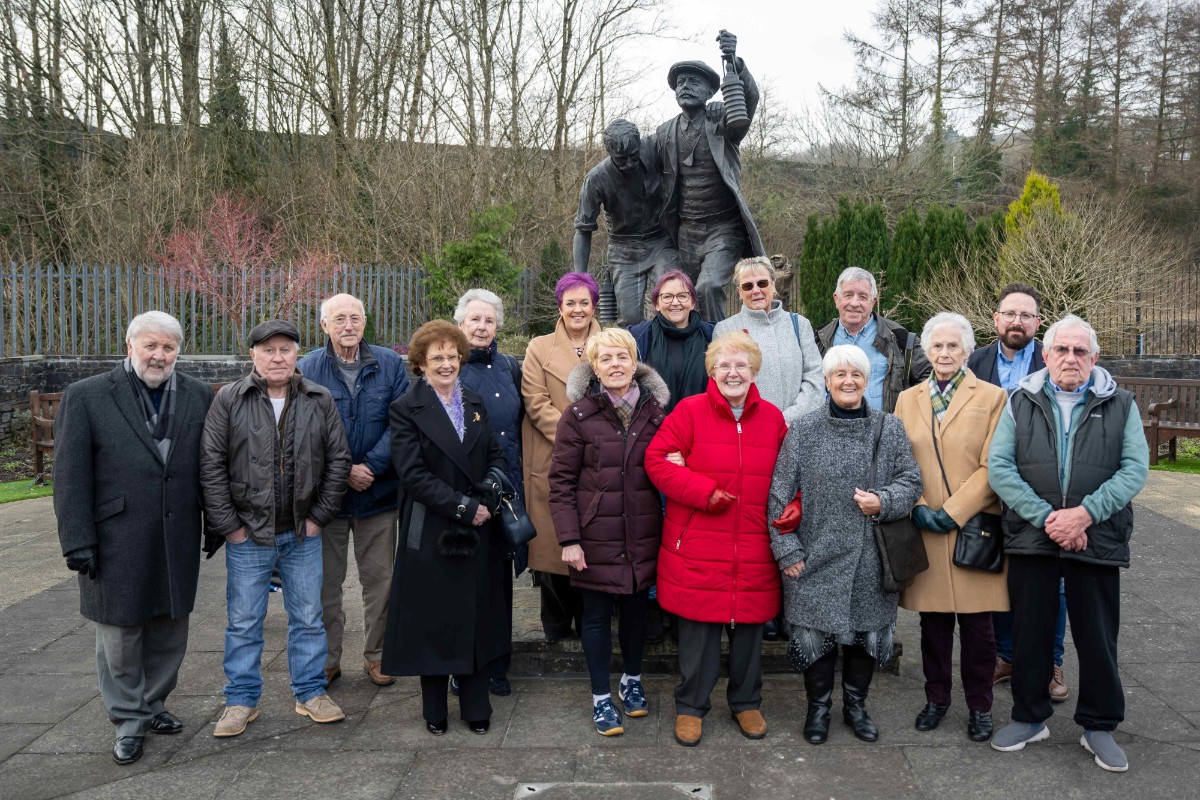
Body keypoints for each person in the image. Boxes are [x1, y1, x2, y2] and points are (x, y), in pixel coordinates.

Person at [988, 315, 1148, 772]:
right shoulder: (1020, 400)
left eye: (1080, 351)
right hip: (1033, 537)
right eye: (1062, 350)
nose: (1070, 358)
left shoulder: (1120, 402)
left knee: (1098, 636)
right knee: (1029, 632)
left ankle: (1099, 725)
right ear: (1046, 354)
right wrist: (1048, 519)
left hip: (1096, 537)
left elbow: (1134, 468)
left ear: (1094, 358)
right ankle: (1029, 716)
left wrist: (1084, 515)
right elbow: (1000, 467)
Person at [53, 311, 213, 765]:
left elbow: (208, 466)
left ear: (178, 351)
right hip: (114, 536)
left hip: (177, 531)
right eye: (151, 346)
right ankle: (127, 721)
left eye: (168, 348)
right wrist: (77, 541)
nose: (159, 355)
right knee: (120, 635)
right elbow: (69, 478)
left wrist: (216, 523)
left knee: (170, 629)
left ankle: (153, 703)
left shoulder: (199, 395)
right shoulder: (86, 397)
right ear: (129, 346)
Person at [200, 319, 351, 738]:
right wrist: (230, 527)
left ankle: (311, 694)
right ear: (253, 356)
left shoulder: (319, 398)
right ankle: (241, 701)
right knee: (245, 620)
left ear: (297, 354)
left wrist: (319, 517)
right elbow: (211, 465)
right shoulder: (230, 399)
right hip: (248, 534)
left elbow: (339, 460)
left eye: (285, 349)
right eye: (268, 350)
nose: (277, 357)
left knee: (307, 617)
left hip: (302, 533)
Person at [768, 344, 922, 745]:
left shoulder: (889, 428)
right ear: (826, 381)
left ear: (867, 381)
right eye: (840, 375)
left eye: (856, 374)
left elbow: (911, 481)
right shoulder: (803, 430)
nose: (848, 381)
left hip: (871, 559)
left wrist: (883, 501)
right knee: (814, 638)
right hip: (813, 556)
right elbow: (778, 496)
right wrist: (788, 552)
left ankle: (856, 706)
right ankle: (817, 709)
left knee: (865, 637)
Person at [645, 332, 787, 747]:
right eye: (723, 365)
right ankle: (691, 706)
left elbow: (791, 472)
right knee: (699, 633)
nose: (732, 372)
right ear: (711, 371)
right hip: (699, 542)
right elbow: (655, 461)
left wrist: (793, 504)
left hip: (755, 543)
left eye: (741, 365)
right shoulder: (688, 412)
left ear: (755, 371)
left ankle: (746, 702)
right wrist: (702, 491)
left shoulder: (773, 418)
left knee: (748, 632)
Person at [380, 321, 511, 736]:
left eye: (452, 355)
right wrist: (462, 507)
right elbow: (412, 474)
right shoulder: (405, 407)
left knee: (477, 618)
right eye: (436, 357)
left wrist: (490, 487)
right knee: (433, 622)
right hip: (433, 529)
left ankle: (476, 707)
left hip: (480, 527)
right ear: (419, 363)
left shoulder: (473, 400)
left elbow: (495, 453)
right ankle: (434, 710)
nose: (446, 363)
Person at [894, 313, 1008, 743]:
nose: (944, 354)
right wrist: (920, 505)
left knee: (980, 630)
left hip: (974, 526)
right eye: (937, 346)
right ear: (927, 351)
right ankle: (936, 698)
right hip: (924, 526)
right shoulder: (907, 399)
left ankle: (980, 706)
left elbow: (995, 464)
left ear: (966, 351)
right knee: (933, 626)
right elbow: (900, 457)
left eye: (953, 346)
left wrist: (952, 511)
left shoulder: (993, 397)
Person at [548, 328, 668, 736]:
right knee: (596, 619)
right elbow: (561, 482)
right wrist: (569, 539)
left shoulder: (655, 414)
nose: (615, 365)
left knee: (635, 614)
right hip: (594, 535)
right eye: (606, 359)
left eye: (622, 357)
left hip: (642, 533)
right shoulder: (578, 416)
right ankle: (601, 696)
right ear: (594, 368)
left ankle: (631, 681)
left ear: (635, 364)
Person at [296, 294, 410, 689]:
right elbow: (301, 434)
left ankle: (377, 656)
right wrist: (343, 471)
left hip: (379, 495)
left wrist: (373, 467)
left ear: (365, 322)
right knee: (325, 585)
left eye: (355, 318)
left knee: (380, 581)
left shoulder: (391, 364)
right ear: (324, 325)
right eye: (339, 318)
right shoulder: (306, 369)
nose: (349, 325)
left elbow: (402, 424)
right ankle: (327, 659)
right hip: (326, 500)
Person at [966, 284, 1065, 701]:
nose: (1017, 322)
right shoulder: (976, 361)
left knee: (1051, 577)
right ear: (996, 319)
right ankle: (1006, 655)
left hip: (1040, 483)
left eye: (1026, 315)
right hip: (988, 482)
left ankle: (1052, 661)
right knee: (998, 571)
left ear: (1038, 323)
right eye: (1010, 314)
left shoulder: (1054, 359)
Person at [656, 30, 764, 322]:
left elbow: (749, 101)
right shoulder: (665, 133)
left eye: (694, 82)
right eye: (680, 83)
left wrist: (735, 62)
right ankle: (690, 355)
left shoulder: (721, 121)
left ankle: (718, 352)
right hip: (686, 231)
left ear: (709, 92)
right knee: (682, 294)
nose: (685, 87)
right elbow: (642, 171)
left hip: (723, 228)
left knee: (708, 286)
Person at [522, 273, 602, 642]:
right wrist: (577, 438)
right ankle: (555, 629)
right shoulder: (538, 347)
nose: (577, 309)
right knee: (555, 545)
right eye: (570, 302)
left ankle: (594, 628)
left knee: (595, 542)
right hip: (554, 455)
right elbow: (536, 403)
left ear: (594, 305)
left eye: (584, 302)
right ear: (559, 306)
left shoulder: (612, 342)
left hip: (602, 459)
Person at [456, 288, 524, 696]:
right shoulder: (450, 368)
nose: (482, 327)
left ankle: (498, 664)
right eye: (474, 320)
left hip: (506, 492)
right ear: (461, 324)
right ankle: (463, 664)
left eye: (489, 320)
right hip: (466, 494)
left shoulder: (509, 367)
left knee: (500, 585)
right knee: (464, 583)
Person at [574, 119, 681, 327]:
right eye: (622, 159)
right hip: (623, 250)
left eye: (633, 155)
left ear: (639, 144)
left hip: (660, 241)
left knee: (673, 300)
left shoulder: (655, 149)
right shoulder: (596, 179)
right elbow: (583, 229)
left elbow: (680, 129)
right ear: (609, 153)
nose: (629, 163)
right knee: (630, 319)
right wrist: (579, 277)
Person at [714, 257, 823, 427]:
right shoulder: (725, 330)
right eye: (748, 286)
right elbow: (723, 385)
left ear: (773, 285)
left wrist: (786, 420)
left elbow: (815, 377)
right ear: (739, 292)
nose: (756, 290)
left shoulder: (800, 325)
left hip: (797, 430)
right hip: (751, 432)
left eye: (762, 283)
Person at [815, 267, 931, 413]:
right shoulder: (817, 340)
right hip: (832, 432)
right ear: (836, 299)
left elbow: (930, 379)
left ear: (873, 301)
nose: (854, 303)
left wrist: (906, 414)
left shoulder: (900, 339)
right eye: (848, 295)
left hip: (884, 432)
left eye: (863, 297)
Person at [628, 269, 715, 414]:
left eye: (682, 296)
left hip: (702, 423)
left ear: (692, 302)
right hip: (652, 428)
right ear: (656, 304)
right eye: (667, 297)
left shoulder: (712, 335)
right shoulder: (637, 337)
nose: (675, 302)